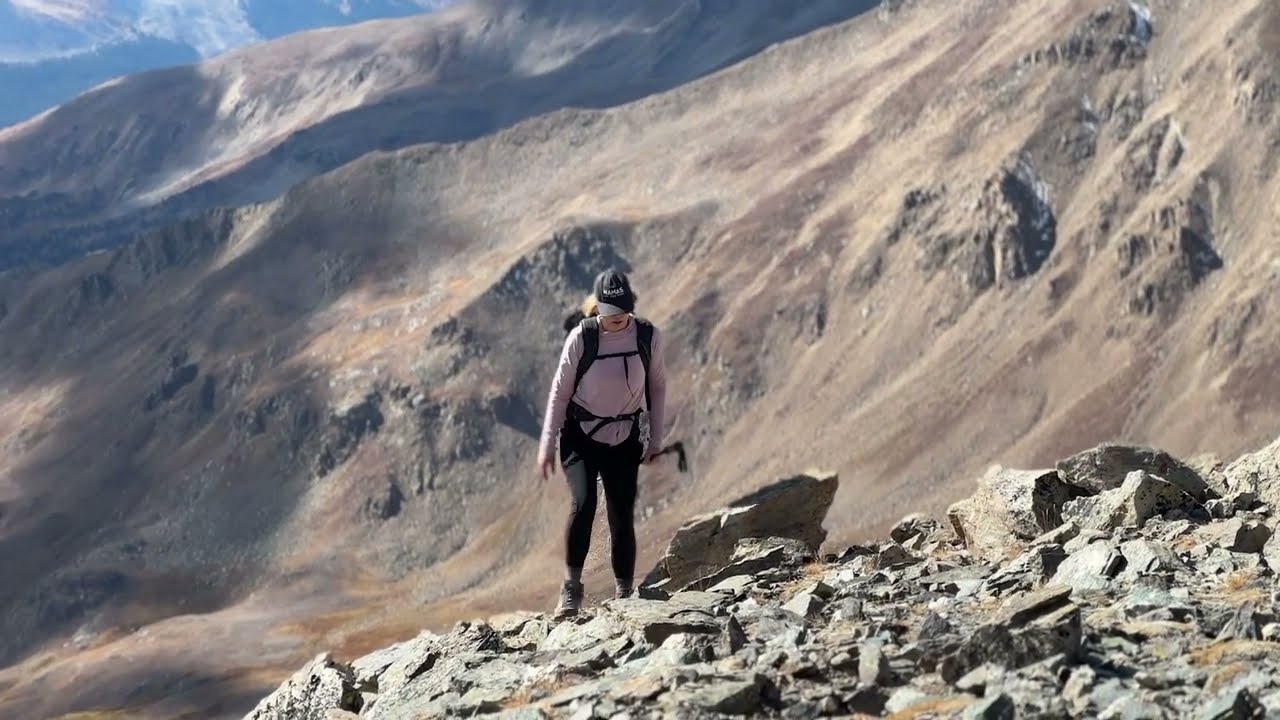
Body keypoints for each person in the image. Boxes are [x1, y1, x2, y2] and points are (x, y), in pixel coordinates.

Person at [537, 269, 667, 618]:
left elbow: (657, 388)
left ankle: (625, 591)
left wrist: (656, 438)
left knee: (621, 514)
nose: (616, 319)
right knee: (584, 504)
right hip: (580, 437)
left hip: (624, 437)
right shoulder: (582, 338)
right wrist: (547, 444)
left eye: (622, 312)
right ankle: (571, 589)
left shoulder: (647, 336)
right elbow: (559, 393)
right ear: (597, 308)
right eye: (609, 313)